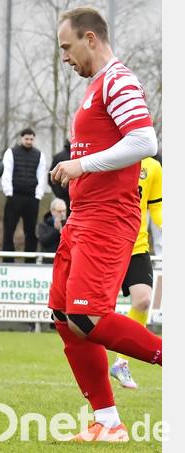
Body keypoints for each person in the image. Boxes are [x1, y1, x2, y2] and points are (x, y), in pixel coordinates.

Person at [48, 7, 161, 442]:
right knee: (64, 315)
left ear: (90, 38)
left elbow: (144, 140)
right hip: (82, 217)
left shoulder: (118, 79)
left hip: (108, 217)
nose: (64, 57)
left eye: (66, 47)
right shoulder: (95, 86)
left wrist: (81, 166)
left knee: (88, 316)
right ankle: (108, 422)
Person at [109, 156, 162, 389]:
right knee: (95, 311)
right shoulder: (111, 158)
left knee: (143, 300)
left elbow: (157, 207)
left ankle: (121, 363)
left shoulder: (153, 166)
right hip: (106, 243)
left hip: (137, 245)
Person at [1, 127, 47, 263]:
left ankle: (30, 261)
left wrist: (38, 195)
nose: (29, 141)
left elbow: (42, 176)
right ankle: (8, 260)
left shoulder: (39, 155)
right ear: (21, 138)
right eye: (26, 139)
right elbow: (7, 173)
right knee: (9, 230)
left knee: (31, 231)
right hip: (14, 196)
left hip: (32, 198)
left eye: (31, 139)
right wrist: (8, 192)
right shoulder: (11, 152)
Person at [37, 198, 67, 264]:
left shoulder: (69, 224)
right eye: (59, 211)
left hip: (64, 261)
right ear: (52, 211)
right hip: (48, 262)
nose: (62, 214)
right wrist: (56, 230)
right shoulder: (43, 225)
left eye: (64, 211)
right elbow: (43, 242)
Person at [48, 139, 71, 214]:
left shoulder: (83, 156)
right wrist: (61, 195)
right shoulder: (59, 157)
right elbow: (51, 178)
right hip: (65, 198)